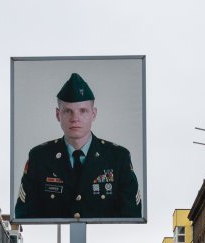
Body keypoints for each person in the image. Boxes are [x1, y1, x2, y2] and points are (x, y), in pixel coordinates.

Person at [14, 72, 142, 220]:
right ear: (58, 114)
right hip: (55, 241)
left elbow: (132, 216)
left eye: (83, 111)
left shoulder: (118, 158)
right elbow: (25, 216)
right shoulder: (39, 157)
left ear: (93, 114)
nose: (75, 118)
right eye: (68, 111)